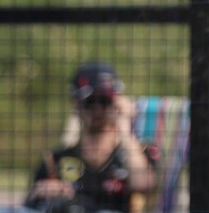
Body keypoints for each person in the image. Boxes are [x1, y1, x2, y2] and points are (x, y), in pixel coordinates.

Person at [14, 62, 156, 213]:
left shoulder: (138, 152)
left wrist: (124, 127)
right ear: (76, 104)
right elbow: (29, 206)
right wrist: (44, 193)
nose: (98, 109)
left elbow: (144, 184)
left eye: (104, 101)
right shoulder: (56, 160)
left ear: (117, 102)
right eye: (90, 101)